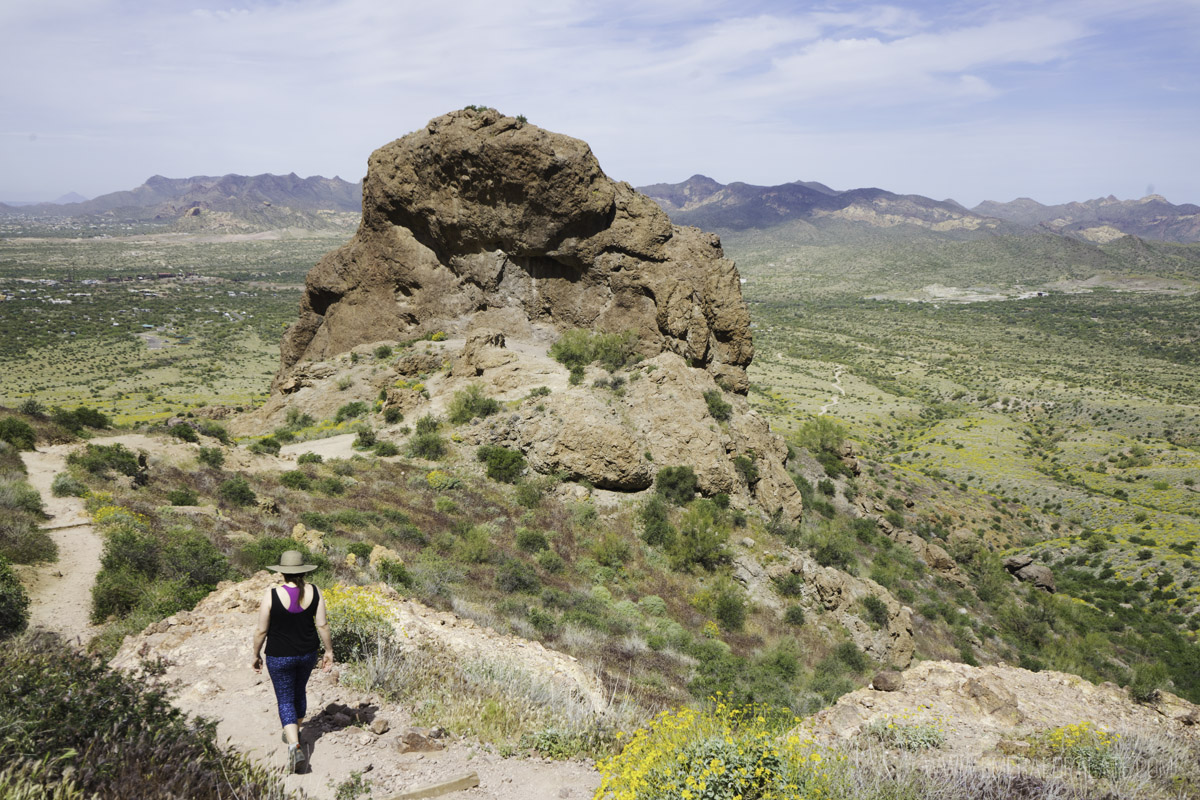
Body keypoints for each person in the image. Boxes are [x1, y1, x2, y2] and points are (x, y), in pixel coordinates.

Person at [251, 550, 334, 773]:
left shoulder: (272, 594)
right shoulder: (315, 591)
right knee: (299, 692)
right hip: (307, 653)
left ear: (281, 572)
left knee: (285, 699)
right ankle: (294, 731)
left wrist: (256, 654)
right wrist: (329, 651)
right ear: (303, 570)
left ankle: (294, 745)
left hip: (279, 655)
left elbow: (261, 630)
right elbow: (323, 625)